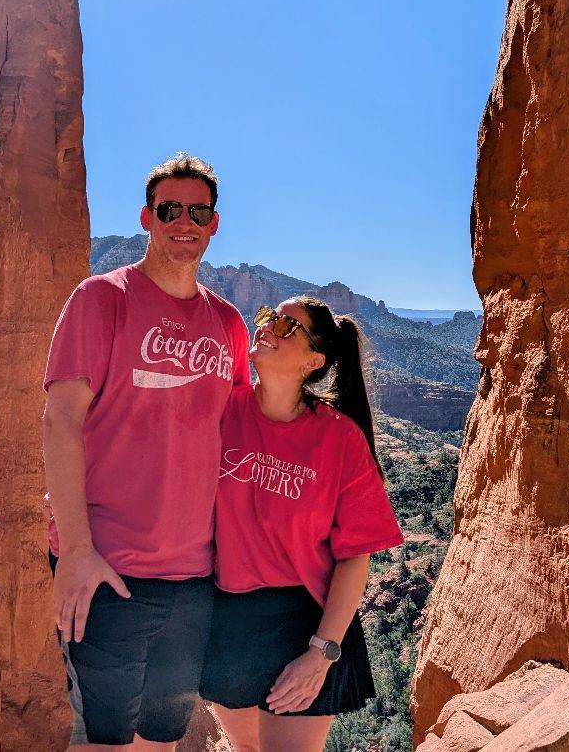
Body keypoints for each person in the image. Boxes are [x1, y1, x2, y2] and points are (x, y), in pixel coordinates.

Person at [43, 152, 251, 751]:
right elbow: (60, 421)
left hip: (194, 577)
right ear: (146, 217)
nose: (183, 221)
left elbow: (239, 435)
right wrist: (77, 552)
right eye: (169, 209)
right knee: (106, 738)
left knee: (162, 734)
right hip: (108, 569)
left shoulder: (230, 324)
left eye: (198, 211)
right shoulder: (100, 299)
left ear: (215, 224)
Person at [199, 296, 404, 752]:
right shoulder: (219, 410)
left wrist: (320, 653)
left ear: (315, 360)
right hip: (228, 617)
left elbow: (355, 557)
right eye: (270, 317)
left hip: (306, 622)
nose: (270, 326)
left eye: (288, 326)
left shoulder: (337, 437)